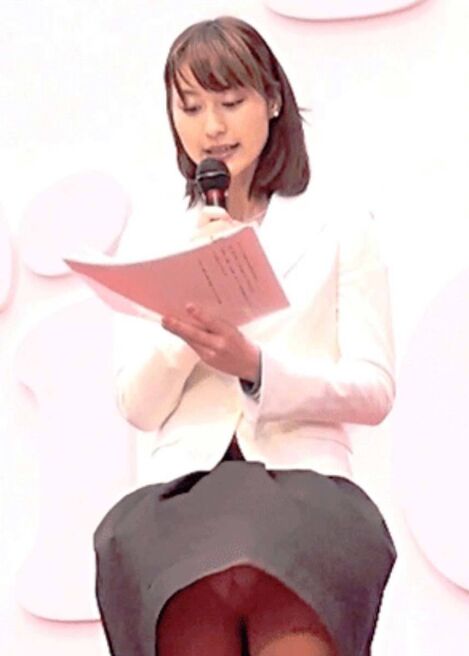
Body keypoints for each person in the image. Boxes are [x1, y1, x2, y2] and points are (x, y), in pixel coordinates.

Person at [94, 15, 397, 656]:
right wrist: (187, 330)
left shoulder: (340, 224)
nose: (212, 127)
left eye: (231, 102)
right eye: (191, 107)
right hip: (181, 500)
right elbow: (137, 407)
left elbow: (374, 389)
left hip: (304, 490)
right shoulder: (152, 234)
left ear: (274, 100)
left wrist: (256, 367)